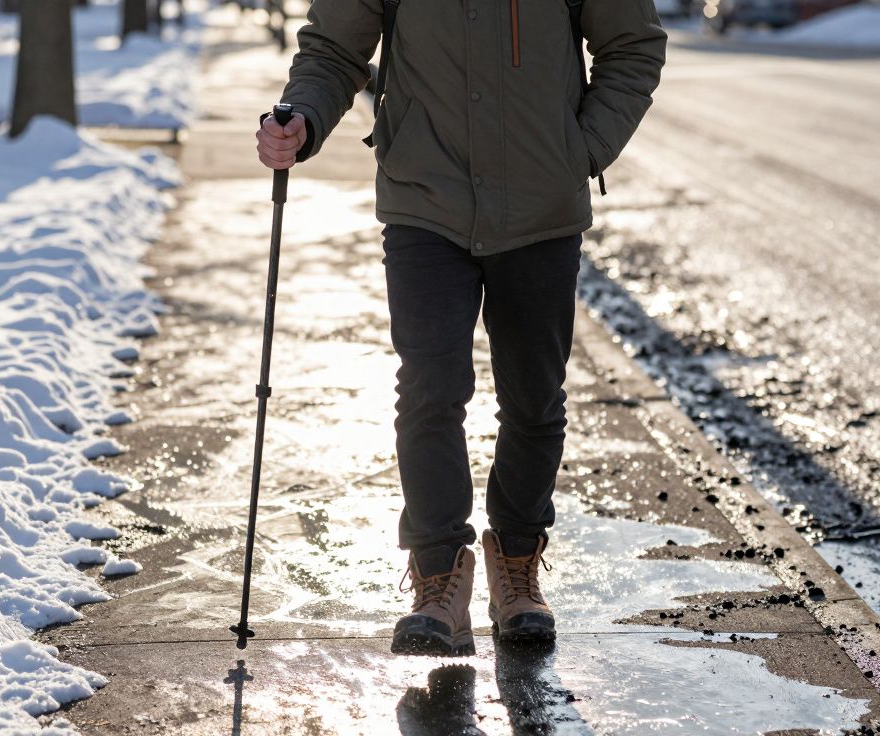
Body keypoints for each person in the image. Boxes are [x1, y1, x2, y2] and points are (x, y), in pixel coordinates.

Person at [255, 0, 666, 656]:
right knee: (429, 386)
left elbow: (633, 48)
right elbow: (334, 50)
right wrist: (300, 117)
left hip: (540, 206)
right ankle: (438, 575)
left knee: (533, 397)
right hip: (425, 198)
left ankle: (518, 563)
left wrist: (579, 150)